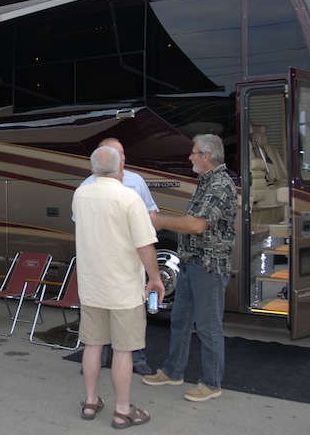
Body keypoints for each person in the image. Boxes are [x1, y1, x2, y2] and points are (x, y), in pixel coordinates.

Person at [72, 146, 165, 428]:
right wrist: (155, 278)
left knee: (93, 344)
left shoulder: (80, 195)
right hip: (123, 289)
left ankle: (90, 402)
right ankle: (123, 410)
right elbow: (144, 244)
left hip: (91, 286)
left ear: (93, 170)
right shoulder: (128, 197)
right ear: (121, 169)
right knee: (123, 351)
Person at [142, 134, 237, 402]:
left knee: (208, 327)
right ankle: (173, 372)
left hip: (209, 267)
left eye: (194, 153)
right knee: (180, 320)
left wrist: (160, 222)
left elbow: (197, 224)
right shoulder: (205, 182)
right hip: (190, 263)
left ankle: (211, 382)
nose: (190, 157)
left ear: (206, 156)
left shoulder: (220, 185)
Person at [80, 137, 157, 375]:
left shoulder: (136, 182)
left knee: (118, 333)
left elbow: (151, 211)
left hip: (120, 271)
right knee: (114, 329)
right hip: (110, 274)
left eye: (123, 153)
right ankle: (119, 398)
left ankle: (137, 359)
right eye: (116, 153)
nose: (121, 158)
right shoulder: (85, 188)